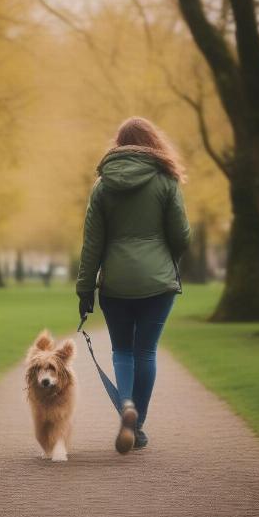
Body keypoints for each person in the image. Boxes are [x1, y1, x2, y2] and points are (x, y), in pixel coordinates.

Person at [76, 116, 191, 454]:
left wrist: (85, 289)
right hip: (158, 281)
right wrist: (165, 254)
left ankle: (126, 405)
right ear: (152, 141)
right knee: (146, 351)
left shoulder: (102, 186)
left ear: (119, 144)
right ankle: (136, 422)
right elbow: (181, 235)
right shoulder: (167, 180)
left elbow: (92, 244)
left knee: (122, 350)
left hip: (116, 283)